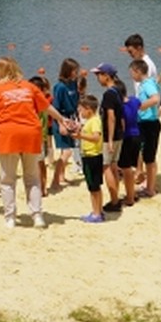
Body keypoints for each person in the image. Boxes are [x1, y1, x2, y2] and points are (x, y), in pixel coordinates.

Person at [0, 57, 75, 229]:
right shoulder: (29, 87)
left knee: (8, 179)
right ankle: (37, 215)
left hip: (9, 133)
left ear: (1, 71)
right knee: (32, 177)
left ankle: (10, 217)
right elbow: (46, 107)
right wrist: (62, 119)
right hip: (31, 133)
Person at [90, 63, 126, 214]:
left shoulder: (109, 94)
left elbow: (111, 117)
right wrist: (122, 131)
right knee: (113, 165)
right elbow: (121, 115)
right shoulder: (118, 90)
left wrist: (109, 139)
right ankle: (115, 197)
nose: (97, 78)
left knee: (106, 166)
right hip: (118, 134)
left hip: (110, 135)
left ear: (106, 76)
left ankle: (114, 200)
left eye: (98, 75)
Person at [50, 58, 82, 190]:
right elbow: (55, 107)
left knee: (67, 149)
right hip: (61, 118)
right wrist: (61, 124)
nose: (76, 73)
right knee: (67, 151)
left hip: (71, 118)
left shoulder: (74, 83)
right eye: (74, 71)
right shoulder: (60, 87)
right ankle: (55, 180)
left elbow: (77, 102)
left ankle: (61, 176)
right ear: (68, 71)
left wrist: (78, 120)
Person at [131, 59, 161, 198]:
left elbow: (155, 98)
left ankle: (150, 189)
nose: (132, 76)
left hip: (149, 124)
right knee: (146, 154)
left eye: (132, 73)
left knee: (149, 157)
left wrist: (140, 106)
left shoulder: (148, 84)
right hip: (145, 122)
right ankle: (148, 185)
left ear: (137, 71)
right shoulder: (146, 83)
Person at [73, 95, 104, 223]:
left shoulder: (94, 121)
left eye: (81, 110)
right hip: (91, 156)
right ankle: (98, 210)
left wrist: (80, 136)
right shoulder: (91, 120)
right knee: (96, 187)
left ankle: (96, 213)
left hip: (92, 156)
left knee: (93, 188)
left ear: (89, 109)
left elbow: (96, 137)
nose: (80, 113)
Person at [115, 79, 140, 208]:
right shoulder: (134, 100)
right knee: (130, 166)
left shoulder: (120, 107)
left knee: (126, 168)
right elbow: (140, 106)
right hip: (137, 134)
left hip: (127, 137)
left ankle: (130, 197)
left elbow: (123, 124)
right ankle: (132, 193)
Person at [28, 75, 53, 198]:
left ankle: (41, 188)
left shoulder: (36, 103)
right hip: (41, 136)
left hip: (37, 136)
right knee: (40, 163)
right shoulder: (43, 102)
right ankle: (43, 187)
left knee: (38, 164)